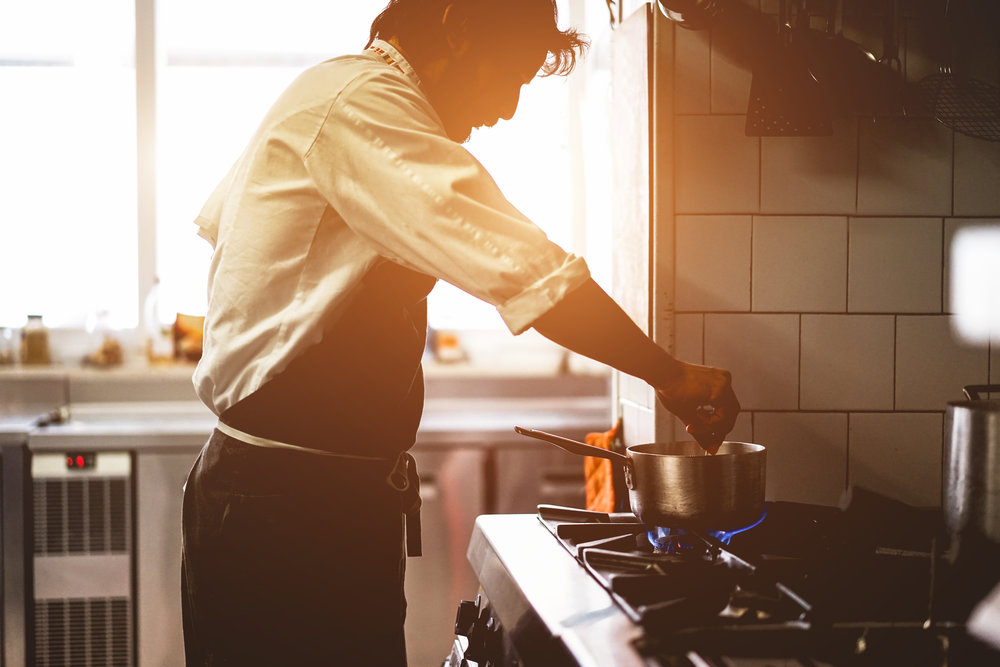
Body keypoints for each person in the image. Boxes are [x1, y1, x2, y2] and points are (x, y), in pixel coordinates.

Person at [181, 0, 741, 664]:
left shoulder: (338, 94)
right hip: (284, 514)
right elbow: (528, 271)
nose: (504, 108)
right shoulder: (366, 106)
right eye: (508, 73)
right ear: (456, 24)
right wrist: (671, 374)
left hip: (314, 503)